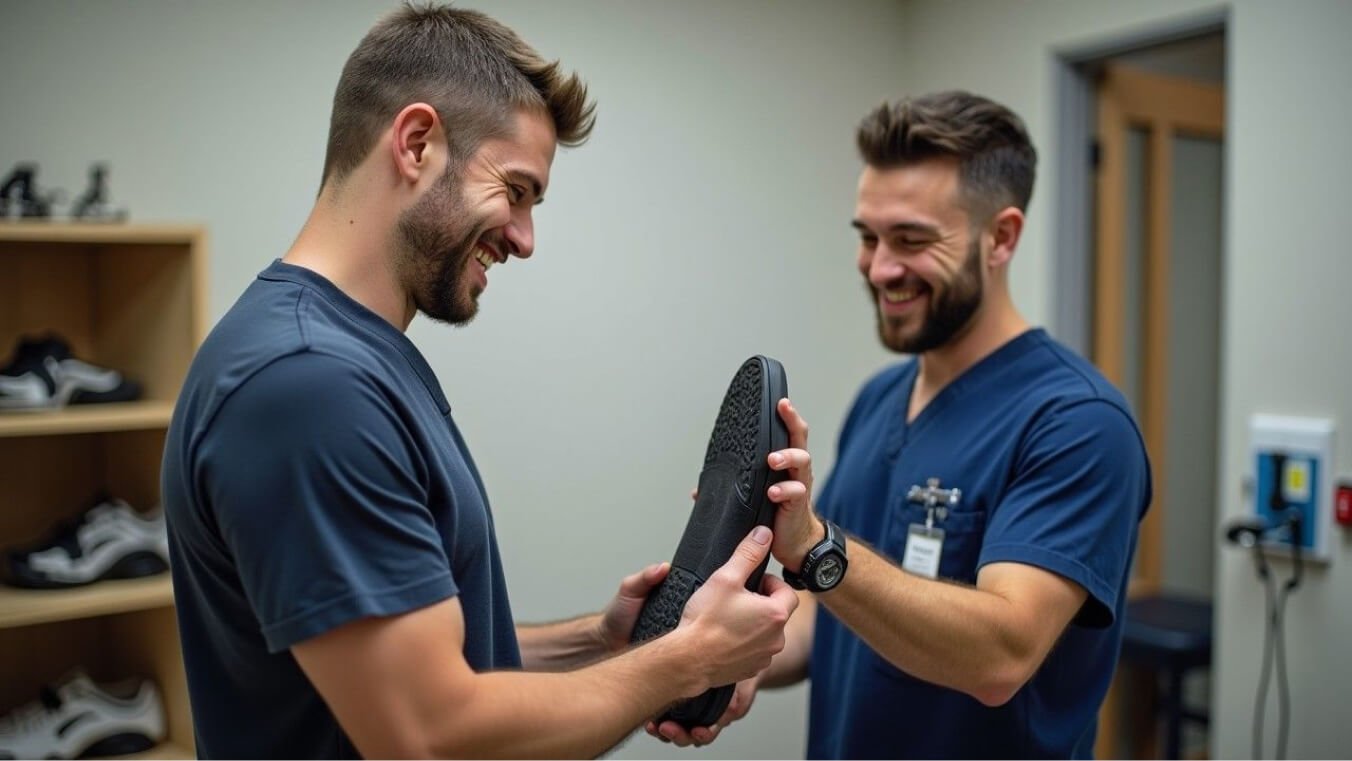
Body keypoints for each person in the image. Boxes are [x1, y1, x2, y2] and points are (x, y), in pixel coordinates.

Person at [160, 5, 797, 758]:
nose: (525, 240)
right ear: (416, 143)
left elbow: (425, 664)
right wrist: (688, 659)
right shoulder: (308, 386)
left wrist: (602, 643)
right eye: (515, 190)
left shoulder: (349, 359)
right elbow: (432, 734)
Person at [650, 91, 1151, 758]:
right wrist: (743, 657)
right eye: (868, 237)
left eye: (912, 240)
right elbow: (835, 609)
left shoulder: (1079, 423)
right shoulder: (879, 398)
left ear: (1001, 237)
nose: (880, 267)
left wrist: (816, 548)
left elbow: (1002, 654)